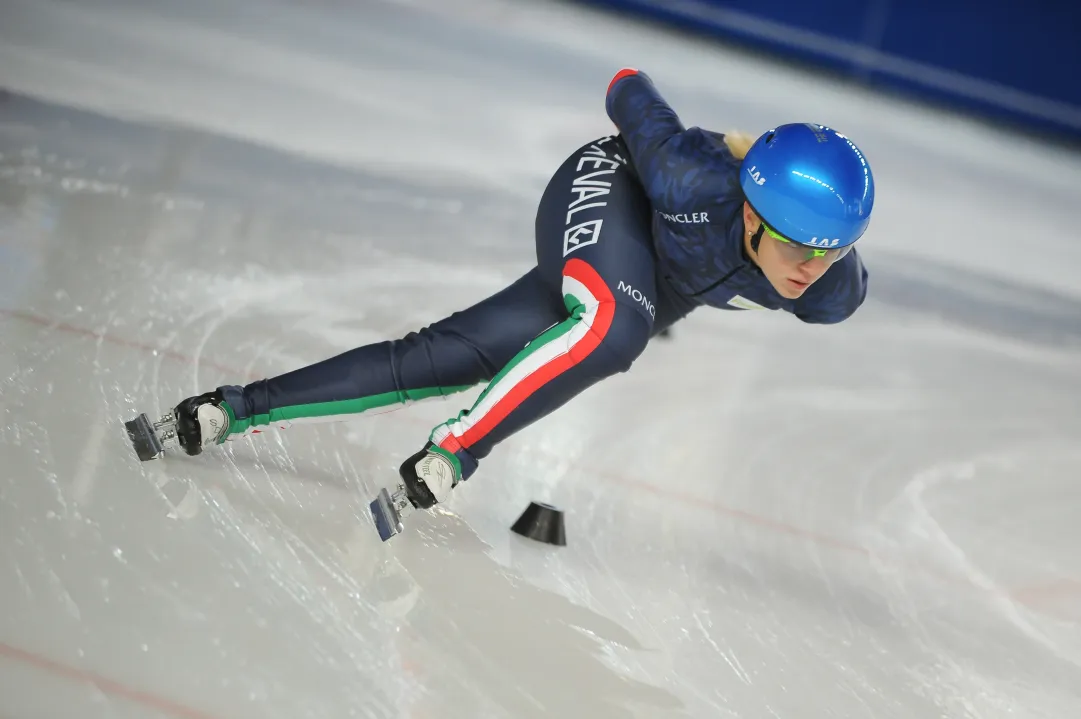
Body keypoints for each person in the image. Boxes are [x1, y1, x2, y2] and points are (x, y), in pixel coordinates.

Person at [162, 68, 874, 537]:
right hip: (613, 186)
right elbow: (629, 86)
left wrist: (818, 261)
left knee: (452, 355)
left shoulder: (829, 292)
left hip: (644, 276)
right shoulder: (685, 177)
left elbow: (822, 270)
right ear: (751, 216)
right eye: (797, 248)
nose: (811, 268)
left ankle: (233, 408)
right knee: (615, 328)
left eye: (832, 251)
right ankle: (455, 451)